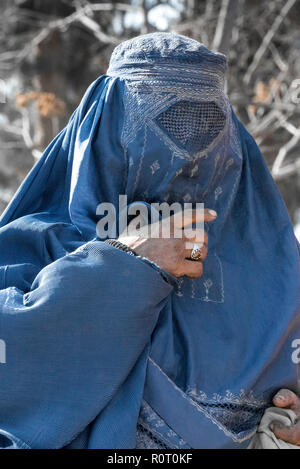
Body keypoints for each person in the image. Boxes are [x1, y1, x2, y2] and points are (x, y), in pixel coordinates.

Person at [0, 32, 299, 449]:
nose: (186, 153)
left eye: (206, 122)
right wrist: (121, 266)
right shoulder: (36, 244)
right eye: (164, 120)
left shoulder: (276, 278)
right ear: (102, 125)